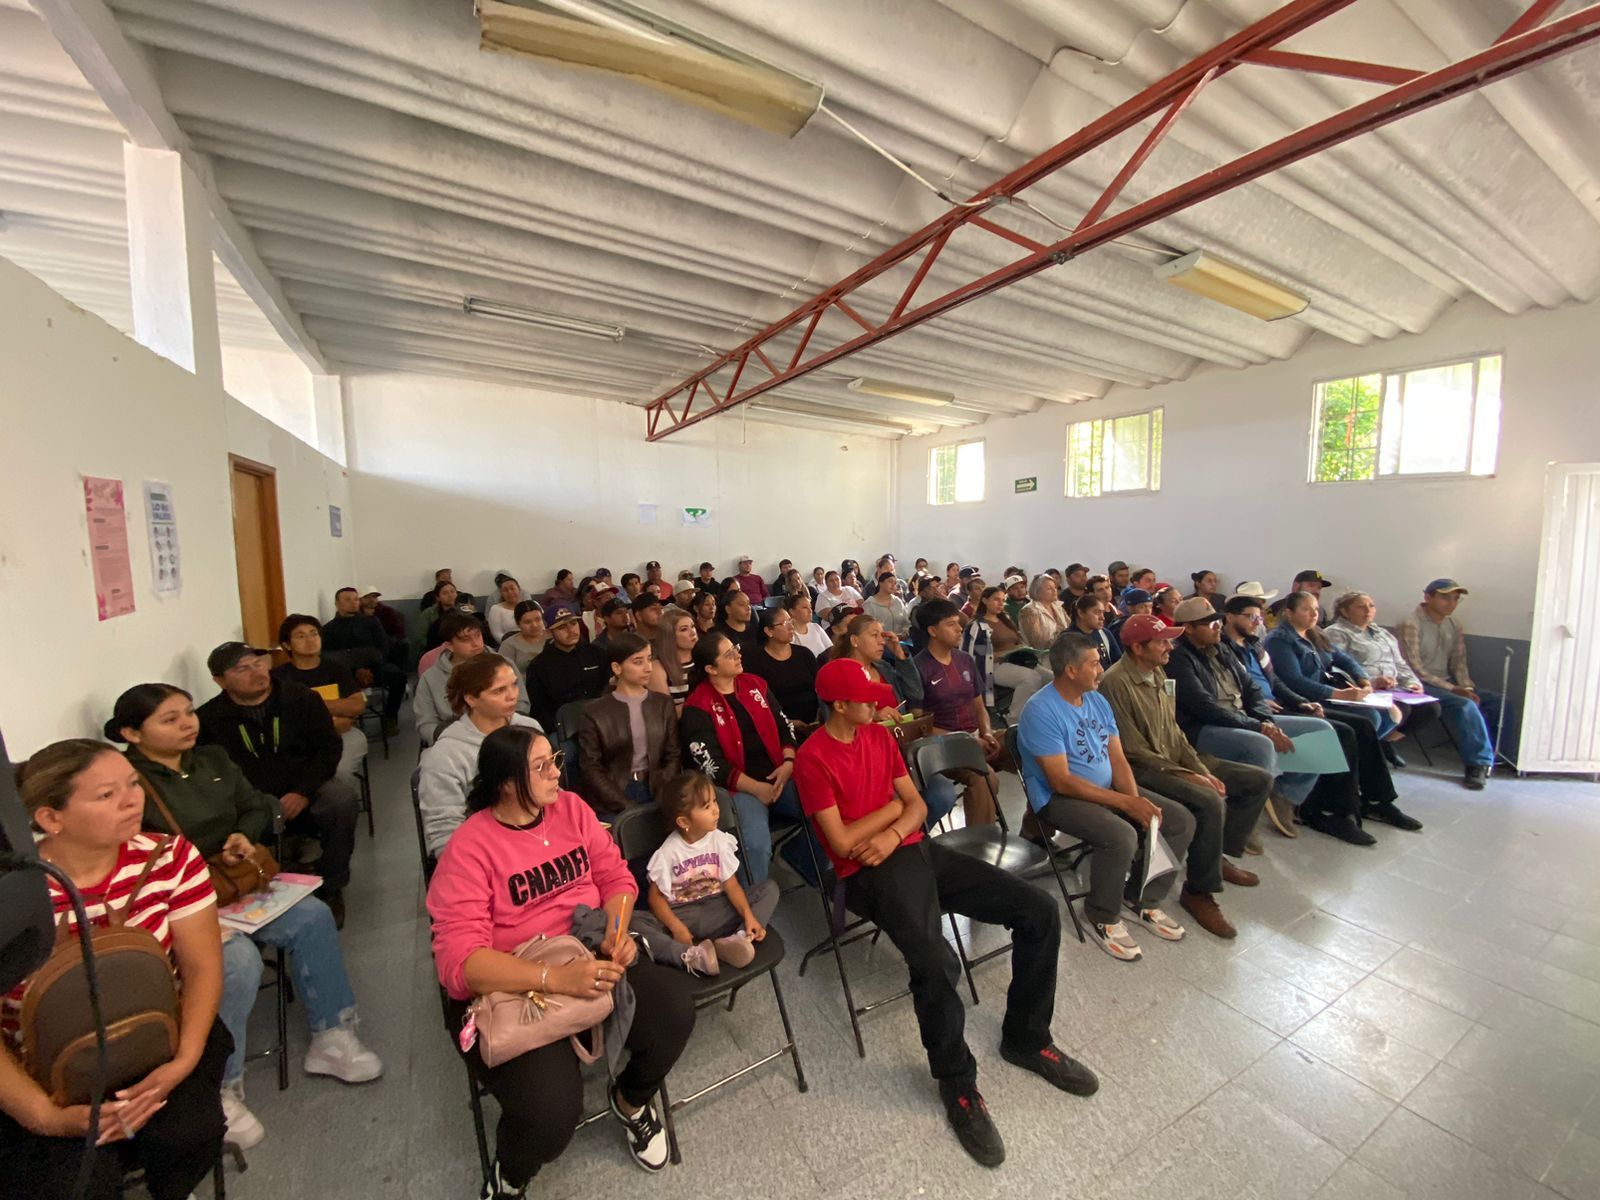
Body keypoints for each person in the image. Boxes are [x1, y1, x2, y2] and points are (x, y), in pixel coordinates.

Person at [797, 658, 1096, 1164]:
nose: (879, 707)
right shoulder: (813, 759)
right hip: (866, 873)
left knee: (1040, 910)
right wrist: (895, 816)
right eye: (867, 700)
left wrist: (893, 827)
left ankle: (1026, 1039)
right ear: (840, 705)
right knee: (936, 963)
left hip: (913, 850)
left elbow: (915, 807)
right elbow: (843, 843)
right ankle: (957, 1083)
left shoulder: (878, 738)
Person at [110, 687, 381, 1150]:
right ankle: (220, 1084)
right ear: (132, 733)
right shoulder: (131, 783)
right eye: (170, 719)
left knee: (312, 916)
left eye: (188, 713)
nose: (187, 724)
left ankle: (332, 1034)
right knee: (237, 961)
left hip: (234, 879)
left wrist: (243, 832)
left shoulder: (211, 759)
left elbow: (257, 804)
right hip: (175, 900)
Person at [427, 727, 693, 1193]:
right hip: (517, 980)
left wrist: (615, 934)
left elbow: (615, 878)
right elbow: (460, 967)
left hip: (586, 947)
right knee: (550, 1113)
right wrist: (557, 978)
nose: (556, 772)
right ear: (507, 784)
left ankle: (629, 1101)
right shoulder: (470, 848)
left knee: (675, 1011)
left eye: (554, 759)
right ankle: (510, 1176)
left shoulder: (570, 809)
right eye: (541, 767)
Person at [2, 740, 229, 1200]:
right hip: (36, 1070)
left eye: (133, 784)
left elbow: (202, 970)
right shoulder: (14, 893)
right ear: (50, 818)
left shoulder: (170, 858)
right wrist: (45, 1116)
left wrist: (182, 1062)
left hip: (152, 1042)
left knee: (189, 1135)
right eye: (107, 795)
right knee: (77, 1182)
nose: (132, 801)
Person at [1016, 633, 1197, 963]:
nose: (1101, 669)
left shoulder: (1096, 700)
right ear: (1071, 670)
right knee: (1121, 835)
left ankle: (1141, 897)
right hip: (1059, 799)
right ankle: (1101, 914)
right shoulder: (1040, 711)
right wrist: (1126, 805)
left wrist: (1134, 801)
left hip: (1105, 789)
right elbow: (1061, 781)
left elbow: (1118, 760)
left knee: (1180, 820)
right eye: (1094, 663)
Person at [1099, 610, 1273, 939]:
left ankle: (1215, 856)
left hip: (1173, 757)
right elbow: (1133, 751)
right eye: (1162, 642)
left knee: (1257, 780)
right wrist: (1190, 776)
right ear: (1137, 647)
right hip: (1142, 768)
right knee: (1208, 800)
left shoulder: (1159, 673)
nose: (1170, 647)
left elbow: (1175, 733)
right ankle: (1198, 891)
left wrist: (1201, 769)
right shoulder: (1115, 683)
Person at [197, 642, 358, 922]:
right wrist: (253, 802)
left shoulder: (301, 698)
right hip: (248, 799)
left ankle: (332, 884)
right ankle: (250, 885)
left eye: (259, 663)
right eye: (242, 669)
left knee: (340, 800)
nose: (256, 672)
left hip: (304, 787)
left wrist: (302, 791)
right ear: (219, 680)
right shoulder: (209, 719)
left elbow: (328, 749)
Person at [1216, 594, 1382, 839]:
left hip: (1277, 702)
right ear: (1229, 618)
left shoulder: (1255, 646)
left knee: (1361, 724)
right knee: (1339, 732)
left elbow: (1275, 681)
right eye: (1250, 617)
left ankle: (1370, 801)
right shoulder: (1226, 648)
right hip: (1259, 709)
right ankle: (1326, 807)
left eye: (1259, 618)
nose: (1257, 623)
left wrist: (1301, 702)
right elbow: (1238, 687)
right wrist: (1259, 704)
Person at [679, 631, 804, 885]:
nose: (738, 655)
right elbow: (711, 765)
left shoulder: (756, 685)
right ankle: (752, 900)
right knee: (756, 845)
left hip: (782, 775)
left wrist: (788, 763)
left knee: (829, 811)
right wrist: (757, 788)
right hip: (739, 789)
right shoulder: (698, 706)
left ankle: (798, 860)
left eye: (735, 648)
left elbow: (784, 726)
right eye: (729, 654)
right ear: (711, 669)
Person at [644, 773, 777, 976]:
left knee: (769, 889)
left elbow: (731, 885)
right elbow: (655, 899)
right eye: (707, 807)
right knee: (636, 922)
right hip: (683, 914)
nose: (716, 810)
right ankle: (693, 955)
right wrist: (678, 928)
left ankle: (738, 939)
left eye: (715, 801)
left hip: (717, 908)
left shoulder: (719, 840)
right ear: (684, 821)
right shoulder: (668, 853)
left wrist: (748, 916)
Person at [418, 654, 543, 857]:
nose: (513, 695)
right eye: (499, 690)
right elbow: (444, 834)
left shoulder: (529, 728)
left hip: (539, 837)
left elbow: (551, 790)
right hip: (486, 853)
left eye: (514, 684)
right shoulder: (446, 754)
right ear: (471, 699)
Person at [1396, 578, 1499, 790]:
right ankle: (1477, 764)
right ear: (1428, 597)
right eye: (1445, 597)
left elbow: (1458, 661)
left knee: (1496, 701)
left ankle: (1500, 757)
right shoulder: (1411, 623)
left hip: (1446, 682)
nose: (1451, 603)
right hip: (1418, 684)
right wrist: (1455, 690)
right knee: (1464, 704)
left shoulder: (1454, 624)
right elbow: (1415, 669)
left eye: (1455, 598)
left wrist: (1466, 686)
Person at [1265, 591, 1400, 740]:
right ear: (1289, 613)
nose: (1314, 614)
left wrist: (1364, 682)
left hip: (1328, 693)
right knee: (1370, 717)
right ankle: (1353, 750)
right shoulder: (1279, 639)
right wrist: (1337, 694)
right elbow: (1294, 680)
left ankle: (1364, 748)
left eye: (1316, 609)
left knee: (1389, 714)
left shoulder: (1316, 633)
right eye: (1306, 610)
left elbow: (1345, 659)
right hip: (1304, 698)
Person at [913, 601, 1001, 825]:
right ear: (932, 631)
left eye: (958, 623)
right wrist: (967, 741)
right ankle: (979, 840)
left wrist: (987, 732)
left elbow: (979, 707)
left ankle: (1035, 829)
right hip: (943, 745)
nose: (959, 629)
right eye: (951, 624)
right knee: (985, 777)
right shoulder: (919, 668)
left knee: (1025, 744)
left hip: (976, 737)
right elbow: (919, 726)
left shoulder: (965, 660)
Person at [577, 632, 681, 814]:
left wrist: (663, 791)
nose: (648, 668)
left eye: (649, 659)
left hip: (657, 787)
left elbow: (673, 754)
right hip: (615, 792)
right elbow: (591, 767)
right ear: (617, 668)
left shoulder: (663, 704)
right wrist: (625, 804)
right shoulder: (595, 712)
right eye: (638, 662)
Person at [1326, 591, 1423, 765]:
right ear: (1345, 611)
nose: (1368, 610)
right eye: (1361, 607)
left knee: (1428, 709)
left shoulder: (1383, 634)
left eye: (1371, 606)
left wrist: (1412, 683)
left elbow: (1400, 663)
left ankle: (1381, 743)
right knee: (1398, 710)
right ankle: (1368, 750)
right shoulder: (1336, 633)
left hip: (1392, 687)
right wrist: (1371, 682)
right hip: (1363, 687)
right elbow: (1337, 668)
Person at [274, 614, 367, 791]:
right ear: (287, 645)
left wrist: (309, 704)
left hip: (342, 735)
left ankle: (339, 806)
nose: (310, 640)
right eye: (301, 636)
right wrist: (333, 711)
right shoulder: (279, 677)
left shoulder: (335, 668)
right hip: (296, 742)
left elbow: (356, 706)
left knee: (337, 773)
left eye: (314, 633)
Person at [418, 611, 530, 744]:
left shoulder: (505, 665)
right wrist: (447, 741)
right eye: (465, 639)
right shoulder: (430, 678)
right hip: (453, 740)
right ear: (449, 646)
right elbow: (427, 723)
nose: (476, 643)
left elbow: (521, 705)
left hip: (505, 736)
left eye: (478, 635)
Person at [322, 586, 405, 734]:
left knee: (399, 677)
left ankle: (390, 717)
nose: (353, 603)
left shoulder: (372, 622)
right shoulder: (329, 629)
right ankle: (348, 718)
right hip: (346, 674)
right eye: (347, 600)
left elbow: (383, 648)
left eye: (355, 599)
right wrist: (355, 671)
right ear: (337, 604)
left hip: (374, 668)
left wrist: (370, 667)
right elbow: (331, 658)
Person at [962, 586, 1052, 715]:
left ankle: (1043, 713)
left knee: (1051, 678)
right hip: (994, 666)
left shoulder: (1005, 619)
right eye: (996, 599)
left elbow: (1016, 641)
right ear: (985, 600)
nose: (1000, 603)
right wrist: (1001, 654)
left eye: (1003, 600)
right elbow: (974, 655)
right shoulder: (977, 626)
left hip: (1017, 660)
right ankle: (1014, 718)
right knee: (1030, 678)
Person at [524, 602, 607, 736]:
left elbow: (608, 688)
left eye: (573, 623)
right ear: (550, 632)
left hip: (602, 722)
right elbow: (539, 709)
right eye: (562, 627)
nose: (570, 630)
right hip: (564, 731)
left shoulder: (597, 653)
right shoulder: (538, 666)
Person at [746, 606, 821, 724]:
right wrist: (787, 722)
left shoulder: (804, 654)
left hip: (815, 719)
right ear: (769, 631)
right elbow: (760, 701)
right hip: (779, 722)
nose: (791, 627)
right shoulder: (756, 662)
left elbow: (819, 687)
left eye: (790, 621)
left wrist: (820, 714)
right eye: (784, 623)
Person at [647, 607, 697, 709]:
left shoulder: (704, 659)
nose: (692, 632)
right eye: (684, 629)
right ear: (670, 636)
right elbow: (666, 713)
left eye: (692, 626)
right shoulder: (658, 668)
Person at [1019, 574, 1070, 650]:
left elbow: (1070, 627)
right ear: (1037, 591)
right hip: (1042, 654)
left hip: (1064, 649)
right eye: (1049, 588)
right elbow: (1038, 643)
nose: (1054, 590)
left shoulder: (1058, 606)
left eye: (1055, 587)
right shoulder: (1029, 611)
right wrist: (1064, 636)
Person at [497, 600, 548, 676]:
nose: (534, 625)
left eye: (538, 619)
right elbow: (503, 674)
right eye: (528, 622)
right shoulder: (508, 645)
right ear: (518, 624)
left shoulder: (553, 637)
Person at [1070, 593, 1121, 669]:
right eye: (1097, 612)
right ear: (1081, 613)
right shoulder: (1068, 640)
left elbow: (1118, 663)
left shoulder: (1105, 634)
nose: (1102, 618)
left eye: (1103, 613)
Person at [714, 586, 763, 661]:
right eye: (742, 604)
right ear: (728, 609)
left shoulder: (756, 630)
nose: (748, 608)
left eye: (748, 603)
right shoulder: (719, 634)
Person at [864, 571, 911, 638]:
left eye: (895, 583)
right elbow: (867, 629)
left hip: (899, 641)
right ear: (880, 583)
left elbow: (906, 623)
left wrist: (904, 632)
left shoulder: (898, 601)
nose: (893, 585)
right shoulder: (869, 604)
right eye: (890, 581)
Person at [786, 591, 832, 657]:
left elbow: (830, 650)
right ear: (792, 611)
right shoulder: (788, 634)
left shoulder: (816, 627)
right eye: (805, 607)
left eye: (810, 607)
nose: (810, 611)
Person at [486, 576, 524, 644]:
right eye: (505, 590)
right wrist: (517, 644)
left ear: (519, 589)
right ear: (501, 593)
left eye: (512, 588)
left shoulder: (527, 606)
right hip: (507, 645)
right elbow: (497, 634)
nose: (509, 592)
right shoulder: (496, 609)